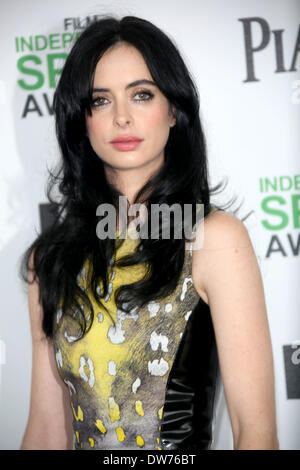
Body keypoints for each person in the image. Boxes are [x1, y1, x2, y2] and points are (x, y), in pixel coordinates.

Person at [19, 15, 279, 450]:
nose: (122, 117)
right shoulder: (49, 259)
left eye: (141, 95)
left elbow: (255, 431)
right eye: (100, 101)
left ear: (174, 110)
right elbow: (46, 430)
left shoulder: (214, 240)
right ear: (81, 120)